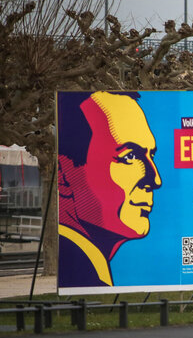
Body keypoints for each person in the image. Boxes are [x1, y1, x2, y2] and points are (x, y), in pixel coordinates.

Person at [57, 91, 162, 287]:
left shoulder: (92, 276)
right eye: (130, 157)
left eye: (151, 156)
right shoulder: (87, 279)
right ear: (63, 174)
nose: (155, 179)